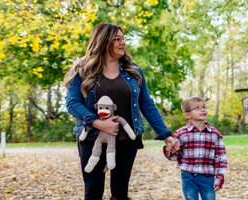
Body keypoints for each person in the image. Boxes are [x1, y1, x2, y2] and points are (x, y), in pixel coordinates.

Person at [64, 23, 178, 200]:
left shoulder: (134, 70)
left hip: (126, 140)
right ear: (103, 41)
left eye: (123, 38)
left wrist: (166, 135)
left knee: (120, 192)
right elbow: (72, 103)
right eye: (117, 38)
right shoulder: (83, 69)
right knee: (93, 191)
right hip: (92, 139)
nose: (122, 42)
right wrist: (98, 122)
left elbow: (147, 104)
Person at [163, 96, 228, 200]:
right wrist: (169, 148)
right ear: (187, 115)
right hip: (188, 175)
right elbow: (174, 157)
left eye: (204, 107)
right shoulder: (180, 134)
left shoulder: (215, 134)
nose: (202, 109)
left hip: (208, 176)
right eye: (197, 108)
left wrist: (219, 177)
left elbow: (221, 157)